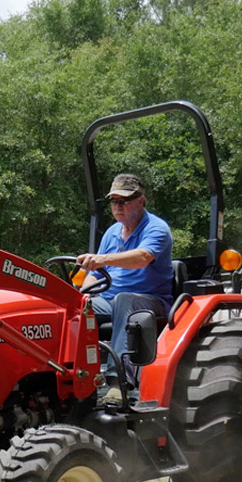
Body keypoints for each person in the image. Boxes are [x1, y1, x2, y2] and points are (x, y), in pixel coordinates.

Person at [76, 173, 174, 403]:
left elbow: (142, 258)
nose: (118, 206)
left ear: (141, 201)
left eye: (124, 200)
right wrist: (80, 297)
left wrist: (103, 259)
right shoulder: (111, 232)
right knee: (75, 307)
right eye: (114, 201)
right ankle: (72, 377)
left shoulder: (157, 228)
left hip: (150, 301)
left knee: (124, 300)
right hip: (109, 300)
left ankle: (117, 384)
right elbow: (93, 275)